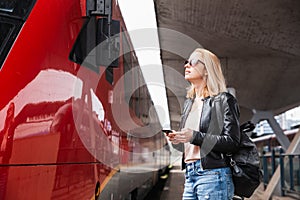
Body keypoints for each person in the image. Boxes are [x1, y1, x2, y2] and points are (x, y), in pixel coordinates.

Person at [166, 48, 241, 200]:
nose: (186, 65)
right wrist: (177, 139)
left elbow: (232, 142)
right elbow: (190, 144)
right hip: (190, 174)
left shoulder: (224, 100)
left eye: (192, 62)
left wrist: (194, 136)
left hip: (213, 175)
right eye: (186, 62)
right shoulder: (189, 103)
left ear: (207, 70)